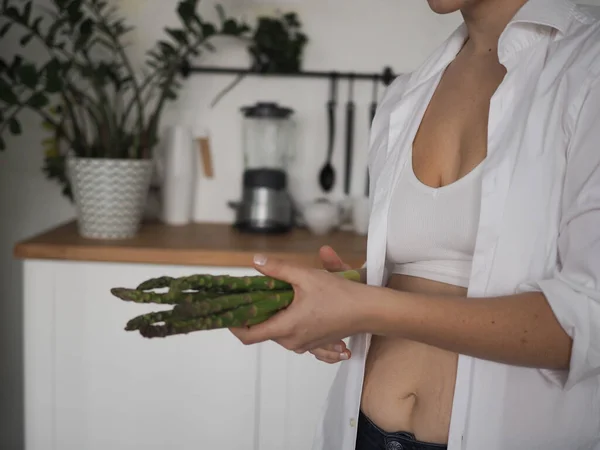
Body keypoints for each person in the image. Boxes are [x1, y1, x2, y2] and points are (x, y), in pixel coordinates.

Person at [230, 0, 600, 448]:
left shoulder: (588, 66)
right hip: (361, 431)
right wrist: (333, 301)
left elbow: (588, 320)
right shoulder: (408, 93)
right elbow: (424, 276)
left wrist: (364, 307)